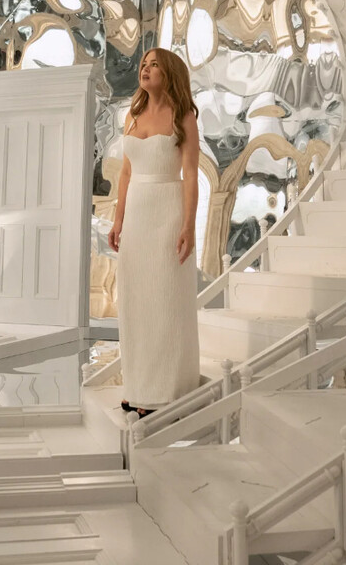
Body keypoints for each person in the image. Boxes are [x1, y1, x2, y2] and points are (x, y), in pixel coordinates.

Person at [108, 48, 200, 417]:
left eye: (154, 64)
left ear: (170, 72)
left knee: (165, 300)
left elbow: (191, 174)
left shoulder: (184, 115)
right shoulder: (133, 114)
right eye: (143, 64)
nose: (145, 69)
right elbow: (126, 172)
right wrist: (118, 221)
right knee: (136, 301)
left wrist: (189, 225)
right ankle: (138, 387)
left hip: (168, 211)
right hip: (137, 216)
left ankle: (167, 391)